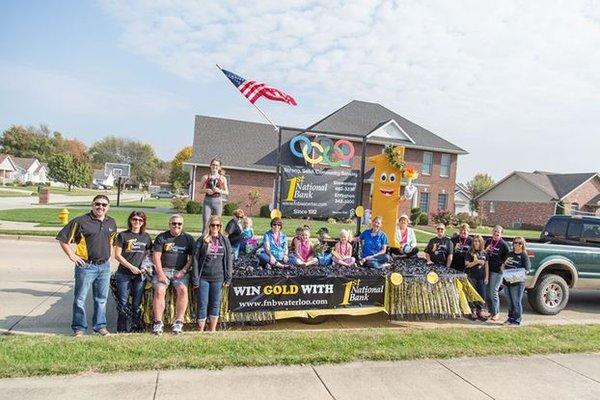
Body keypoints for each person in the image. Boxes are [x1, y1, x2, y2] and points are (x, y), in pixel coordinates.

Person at [56, 194, 117, 337]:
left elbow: (112, 240)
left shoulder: (111, 222)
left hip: (104, 267)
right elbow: (63, 238)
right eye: (97, 204)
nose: (100, 207)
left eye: (104, 205)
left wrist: (109, 256)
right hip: (86, 266)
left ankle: (100, 326)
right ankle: (79, 328)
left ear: (108, 207)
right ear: (92, 205)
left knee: (101, 299)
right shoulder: (81, 221)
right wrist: (72, 255)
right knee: (80, 298)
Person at [151, 214, 195, 335]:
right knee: (160, 290)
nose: (176, 226)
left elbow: (191, 258)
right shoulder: (162, 237)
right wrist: (160, 274)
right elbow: (156, 257)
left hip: (180, 271)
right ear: (169, 224)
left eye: (179, 224)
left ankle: (178, 322)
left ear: (182, 225)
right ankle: (158, 323)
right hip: (163, 270)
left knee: (182, 289)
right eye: (174, 223)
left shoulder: (188, 239)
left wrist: (184, 270)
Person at [191, 216, 232, 332]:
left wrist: (228, 278)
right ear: (208, 226)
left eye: (218, 225)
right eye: (213, 225)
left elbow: (229, 259)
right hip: (203, 277)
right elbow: (195, 259)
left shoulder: (224, 240)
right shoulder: (202, 240)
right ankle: (200, 330)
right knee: (203, 303)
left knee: (215, 303)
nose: (215, 227)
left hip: (218, 277)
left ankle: (213, 330)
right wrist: (195, 279)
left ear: (220, 227)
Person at [114, 211, 152, 333]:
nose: (137, 222)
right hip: (123, 274)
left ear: (143, 222)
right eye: (135, 219)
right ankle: (122, 329)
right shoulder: (123, 235)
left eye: (140, 220)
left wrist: (144, 267)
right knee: (123, 302)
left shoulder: (146, 237)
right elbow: (117, 255)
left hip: (139, 276)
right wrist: (131, 267)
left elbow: (149, 255)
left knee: (137, 303)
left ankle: (136, 327)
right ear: (130, 220)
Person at [502, 237, 531, 326]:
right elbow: (503, 265)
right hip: (507, 281)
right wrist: (503, 270)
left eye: (520, 243)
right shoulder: (509, 254)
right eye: (515, 243)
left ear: (523, 245)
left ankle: (517, 320)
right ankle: (510, 318)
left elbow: (527, 270)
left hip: (517, 283)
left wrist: (515, 274)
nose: (517, 245)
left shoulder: (523, 256)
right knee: (510, 302)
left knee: (516, 302)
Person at [485, 225, 510, 322]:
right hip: (487, 269)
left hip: (497, 271)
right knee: (487, 292)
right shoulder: (488, 241)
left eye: (498, 233)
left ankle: (496, 313)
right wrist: (485, 250)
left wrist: (502, 267)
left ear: (501, 234)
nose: (496, 234)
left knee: (493, 291)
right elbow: (483, 253)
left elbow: (507, 258)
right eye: (494, 232)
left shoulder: (503, 245)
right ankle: (491, 311)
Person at [199, 158, 229, 234]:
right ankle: (204, 240)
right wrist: (206, 190)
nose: (215, 166)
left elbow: (227, 192)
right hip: (207, 201)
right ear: (210, 166)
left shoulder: (222, 178)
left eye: (216, 165)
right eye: (213, 165)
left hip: (218, 201)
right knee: (206, 221)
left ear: (219, 167)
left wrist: (219, 191)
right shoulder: (205, 177)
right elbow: (199, 190)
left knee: (217, 222)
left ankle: (217, 240)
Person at [464, 234, 489, 320]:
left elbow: (486, 266)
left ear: (481, 242)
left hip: (481, 277)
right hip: (472, 276)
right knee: (472, 294)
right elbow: (467, 265)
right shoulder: (469, 252)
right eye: (475, 241)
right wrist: (477, 262)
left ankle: (480, 311)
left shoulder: (484, 252)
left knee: (482, 294)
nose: (477, 243)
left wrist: (487, 277)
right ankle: (473, 310)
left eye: (478, 241)